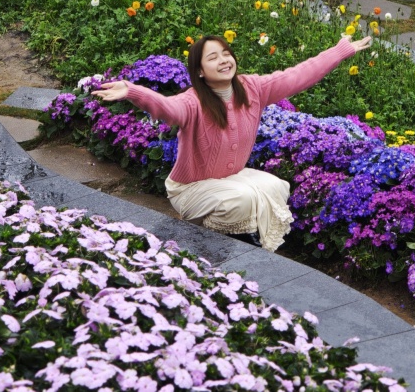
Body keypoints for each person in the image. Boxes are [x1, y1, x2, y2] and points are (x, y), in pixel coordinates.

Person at [91, 33, 371, 252]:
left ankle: (249, 239)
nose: (224, 60)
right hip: (190, 188)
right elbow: (167, 108)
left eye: (226, 53)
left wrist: (339, 51)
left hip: (229, 178)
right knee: (244, 199)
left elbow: (297, 75)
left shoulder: (252, 88)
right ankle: (214, 238)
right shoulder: (193, 101)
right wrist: (133, 91)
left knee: (276, 186)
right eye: (213, 58)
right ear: (200, 71)